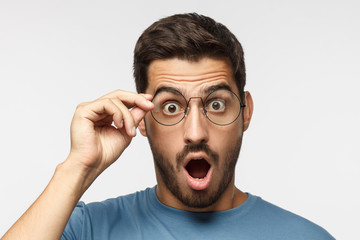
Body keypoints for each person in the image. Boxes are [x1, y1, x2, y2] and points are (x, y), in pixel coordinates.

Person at [1, 13, 334, 240]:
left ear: (246, 113)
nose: (195, 132)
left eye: (216, 104)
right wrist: (76, 168)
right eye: (171, 106)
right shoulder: (87, 229)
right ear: (142, 118)